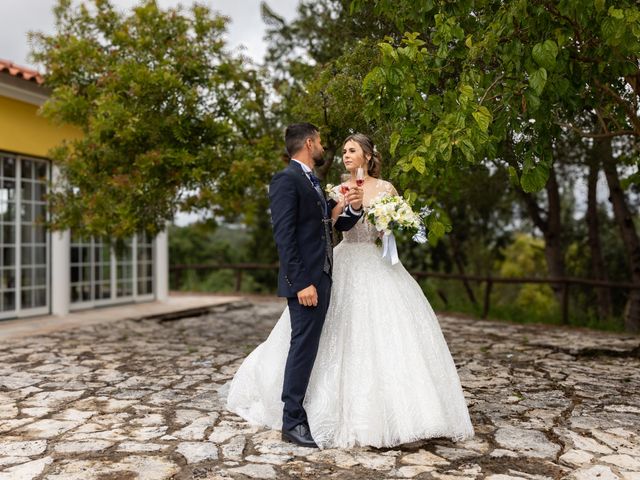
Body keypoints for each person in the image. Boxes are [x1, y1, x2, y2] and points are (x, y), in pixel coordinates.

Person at [226, 132, 474, 449]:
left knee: (389, 334)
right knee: (322, 333)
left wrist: (390, 224)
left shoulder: (385, 189)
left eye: (352, 150)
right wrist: (348, 207)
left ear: (368, 156)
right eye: (343, 150)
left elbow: (399, 230)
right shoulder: (334, 189)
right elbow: (329, 227)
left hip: (377, 264)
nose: (345, 155)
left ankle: (407, 413)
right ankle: (300, 409)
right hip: (340, 264)